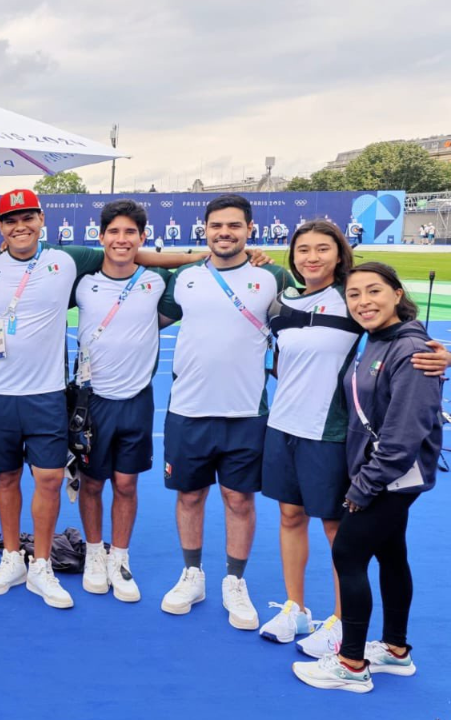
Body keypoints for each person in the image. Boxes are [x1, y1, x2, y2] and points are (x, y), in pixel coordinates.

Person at [0, 190, 199, 608]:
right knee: (5, 478)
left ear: (42, 220)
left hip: (49, 393)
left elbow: (127, 256)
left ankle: (41, 564)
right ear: (0, 227)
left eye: (28, 218)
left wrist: (199, 257)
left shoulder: (68, 260)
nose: (20, 226)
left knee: (51, 479)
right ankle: (10, 559)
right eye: (10, 220)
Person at [256, 223, 448, 651]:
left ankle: (342, 623)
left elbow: (402, 335)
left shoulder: (352, 298)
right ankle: (295, 608)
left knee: (335, 530)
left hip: (331, 431)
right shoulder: (280, 300)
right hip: (283, 425)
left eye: (323, 249)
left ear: (340, 254)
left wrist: (442, 354)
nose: (312, 257)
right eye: (303, 249)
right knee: (289, 516)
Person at [291, 262, 442, 693]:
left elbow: (404, 432)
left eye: (374, 291)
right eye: (354, 295)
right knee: (392, 556)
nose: (363, 302)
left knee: (349, 556)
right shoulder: (377, 340)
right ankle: (395, 651)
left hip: (389, 477)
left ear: (397, 293)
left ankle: (351, 664)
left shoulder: (411, 350)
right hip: (385, 474)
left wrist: (365, 484)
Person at [157, 194, 294, 630]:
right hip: (188, 408)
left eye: (234, 226)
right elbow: (150, 320)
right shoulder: (184, 278)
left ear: (249, 229)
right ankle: (192, 574)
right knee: (190, 495)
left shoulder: (272, 275)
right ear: (205, 229)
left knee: (239, 499)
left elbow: (309, 321)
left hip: (246, 412)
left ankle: (234, 581)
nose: (224, 233)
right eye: (216, 225)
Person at [72, 200, 172, 604]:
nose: (122, 239)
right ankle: (94, 554)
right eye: (114, 231)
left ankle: (120, 557)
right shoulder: (81, 283)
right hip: (91, 401)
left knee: (127, 483)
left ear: (142, 239)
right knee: (92, 481)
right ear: (101, 238)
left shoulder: (159, 283)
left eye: (130, 232)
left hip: (135, 401)